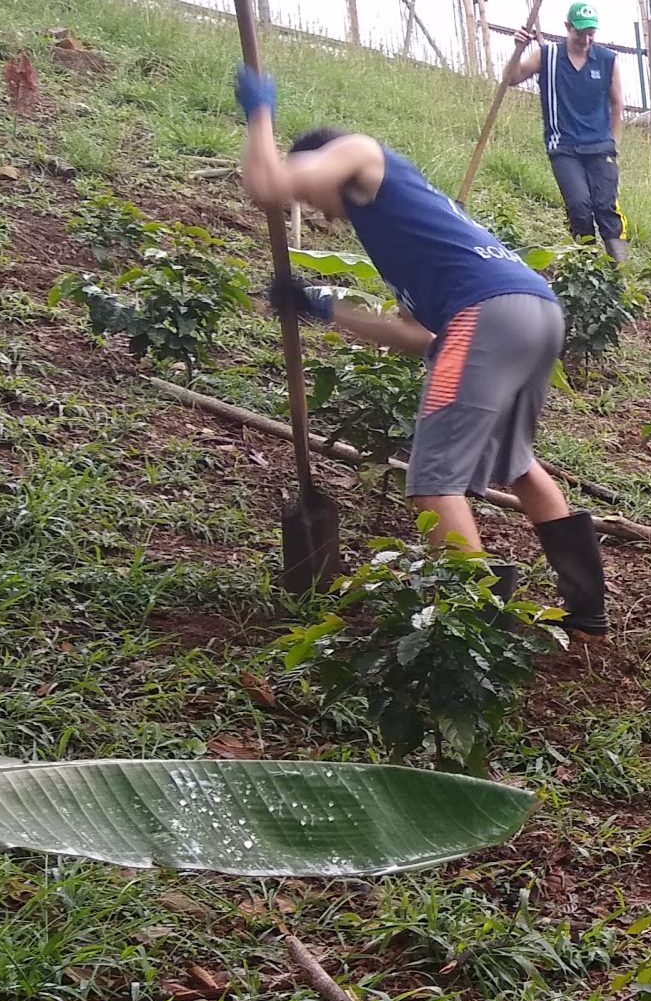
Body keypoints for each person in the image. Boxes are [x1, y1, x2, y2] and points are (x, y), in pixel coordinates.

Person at [236, 67, 610, 638]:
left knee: (433, 481)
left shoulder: (359, 155)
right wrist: (324, 309)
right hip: (533, 311)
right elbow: (423, 338)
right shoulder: (404, 232)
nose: (317, 208)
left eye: (313, 192)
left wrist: (259, 113)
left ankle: (476, 633)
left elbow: (268, 185)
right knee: (517, 464)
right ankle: (586, 609)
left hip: (485, 313)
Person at [499, 2, 626, 261]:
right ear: (568, 27)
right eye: (580, 32)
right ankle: (586, 269)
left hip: (600, 146)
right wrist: (518, 48)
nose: (586, 38)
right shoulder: (547, 56)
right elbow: (511, 79)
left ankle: (619, 273)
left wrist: (613, 141)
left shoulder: (607, 61)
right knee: (579, 207)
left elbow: (617, 103)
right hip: (564, 147)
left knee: (606, 207)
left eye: (591, 32)